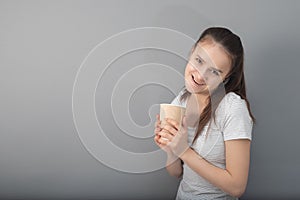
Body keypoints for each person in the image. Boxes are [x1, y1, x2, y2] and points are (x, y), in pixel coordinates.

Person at [154, 27, 255, 200]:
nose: (200, 76)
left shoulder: (232, 108)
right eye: (199, 61)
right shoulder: (180, 101)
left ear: (226, 77)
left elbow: (237, 187)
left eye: (214, 72)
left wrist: (184, 151)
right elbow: (176, 172)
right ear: (192, 51)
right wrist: (170, 150)